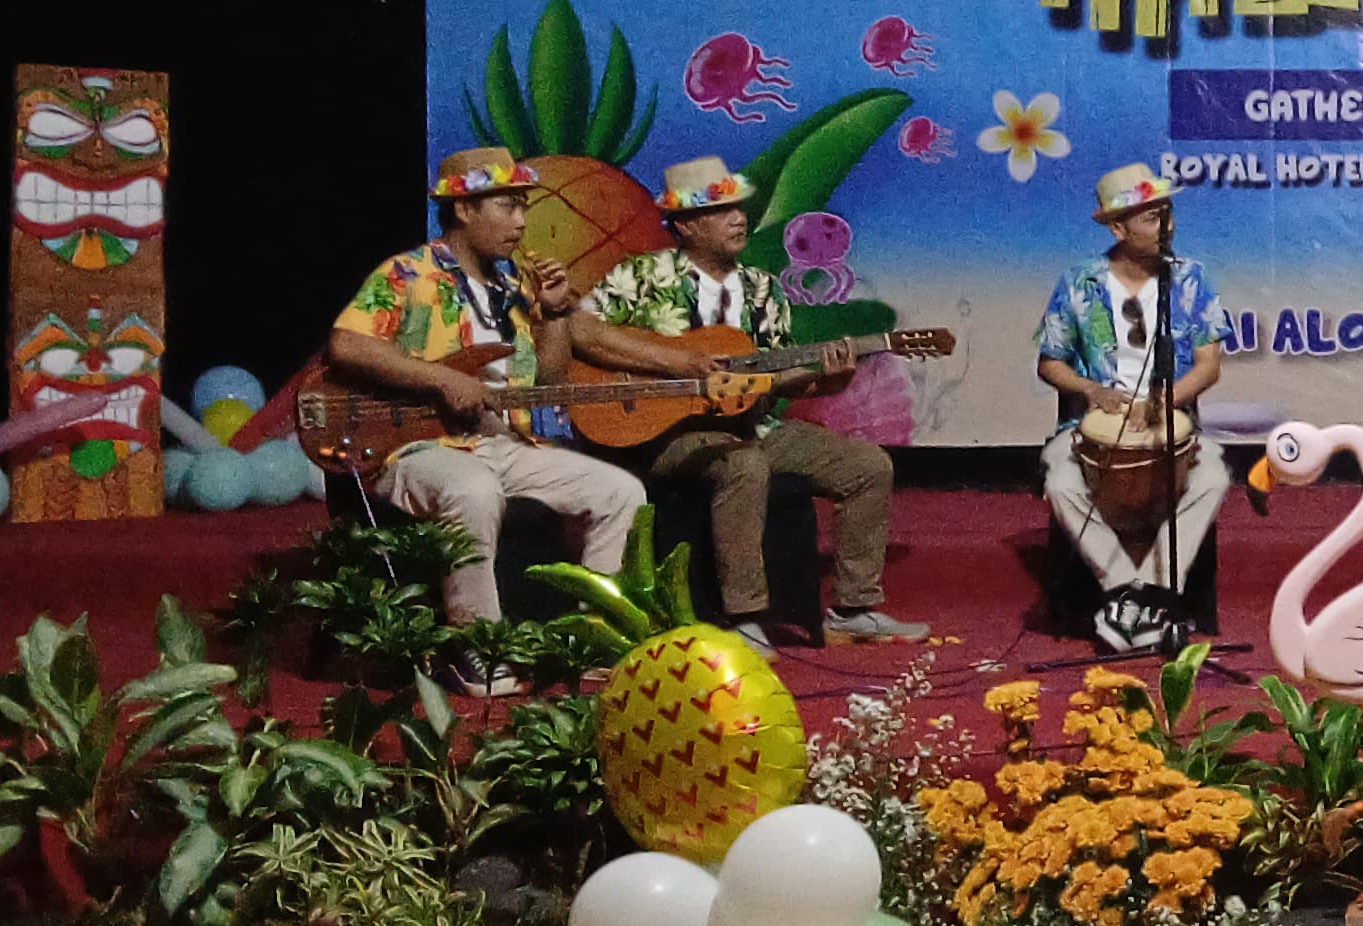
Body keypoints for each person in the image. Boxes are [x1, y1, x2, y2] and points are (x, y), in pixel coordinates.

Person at [568, 155, 926, 647]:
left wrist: (829, 379)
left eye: (739, 208)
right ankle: (744, 616)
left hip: (753, 427)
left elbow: (779, 378)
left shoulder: (763, 289)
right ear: (686, 225)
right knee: (744, 465)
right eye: (721, 210)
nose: (738, 219)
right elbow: (581, 330)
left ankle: (855, 607)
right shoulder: (644, 274)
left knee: (868, 466)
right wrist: (680, 363)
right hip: (669, 434)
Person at [326, 146, 649, 632]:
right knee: (474, 489)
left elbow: (548, 383)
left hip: (500, 443)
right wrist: (443, 377)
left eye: (523, 207)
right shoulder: (408, 273)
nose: (521, 222)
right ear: (464, 209)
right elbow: (346, 344)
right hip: (417, 449)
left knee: (621, 491)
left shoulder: (514, 285)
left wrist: (555, 314)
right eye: (507, 206)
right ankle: (479, 643)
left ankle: (594, 636)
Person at [1035, 163, 1232, 656]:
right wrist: (1091, 390)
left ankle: (1142, 596)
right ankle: (1128, 588)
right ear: (1118, 229)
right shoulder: (1078, 282)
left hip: (1171, 419)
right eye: (1151, 217)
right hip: (1093, 425)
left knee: (1213, 477)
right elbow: (1049, 363)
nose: (1166, 224)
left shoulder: (1190, 278)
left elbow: (1209, 365)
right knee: (1060, 481)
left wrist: (1166, 400)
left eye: (1167, 212)